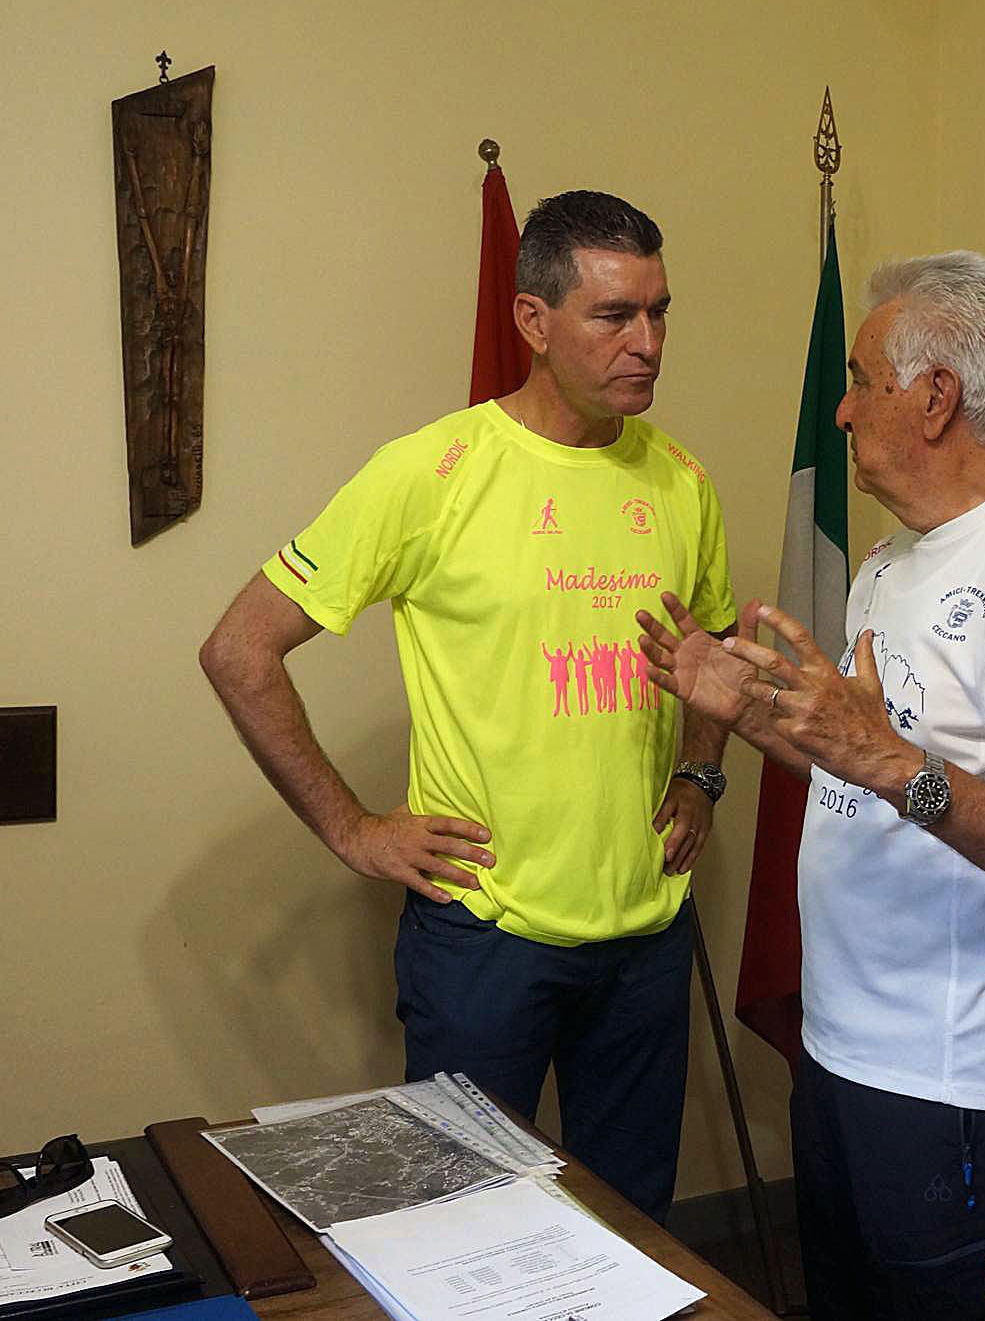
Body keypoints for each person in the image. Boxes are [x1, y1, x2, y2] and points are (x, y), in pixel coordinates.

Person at [201, 191, 736, 1222]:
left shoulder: (680, 481)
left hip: (646, 933)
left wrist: (699, 771)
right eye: (613, 315)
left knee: (635, 1227)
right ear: (533, 320)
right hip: (486, 937)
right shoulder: (431, 471)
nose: (648, 342)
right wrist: (352, 828)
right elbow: (239, 648)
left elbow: (706, 649)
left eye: (659, 311)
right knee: (462, 1224)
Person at [636, 251, 985, 1317]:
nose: (840, 408)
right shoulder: (888, 560)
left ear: (934, 396)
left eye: (861, 381)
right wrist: (748, 710)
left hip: (961, 1088)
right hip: (842, 1052)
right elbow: (856, 760)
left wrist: (889, 761)